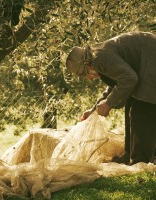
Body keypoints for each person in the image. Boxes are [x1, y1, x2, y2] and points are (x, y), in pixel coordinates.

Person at [66, 31, 156, 165]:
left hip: (151, 64)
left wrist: (108, 104)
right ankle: (131, 155)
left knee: (141, 111)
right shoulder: (98, 55)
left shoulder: (99, 58)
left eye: (84, 74)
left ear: (87, 64)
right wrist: (94, 109)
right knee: (131, 102)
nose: (89, 78)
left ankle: (140, 162)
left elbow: (129, 79)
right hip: (147, 64)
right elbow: (117, 84)